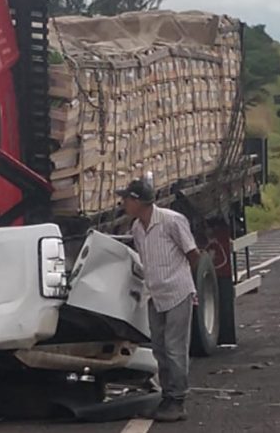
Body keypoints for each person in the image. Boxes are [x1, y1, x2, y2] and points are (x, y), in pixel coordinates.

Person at [116, 179, 201, 423]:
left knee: (175, 348)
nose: (124, 204)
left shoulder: (171, 221)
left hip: (177, 292)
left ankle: (178, 399)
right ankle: (167, 395)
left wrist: (183, 283)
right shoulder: (137, 228)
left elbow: (193, 254)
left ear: (138, 201)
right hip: (155, 294)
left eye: (127, 200)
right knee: (160, 349)